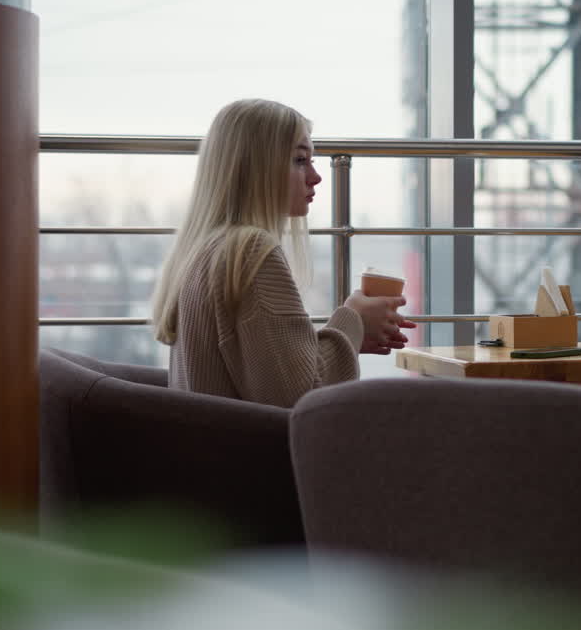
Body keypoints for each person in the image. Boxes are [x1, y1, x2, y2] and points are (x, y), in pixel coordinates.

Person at [150, 98, 416, 408]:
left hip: (209, 449)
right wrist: (352, 320)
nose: (316, 177)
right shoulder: (250, 252)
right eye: (300, 160)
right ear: (256, 167)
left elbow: (272, 380)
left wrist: (352, 334)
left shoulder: (208, 248)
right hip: (258, 455)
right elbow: (303, 402)